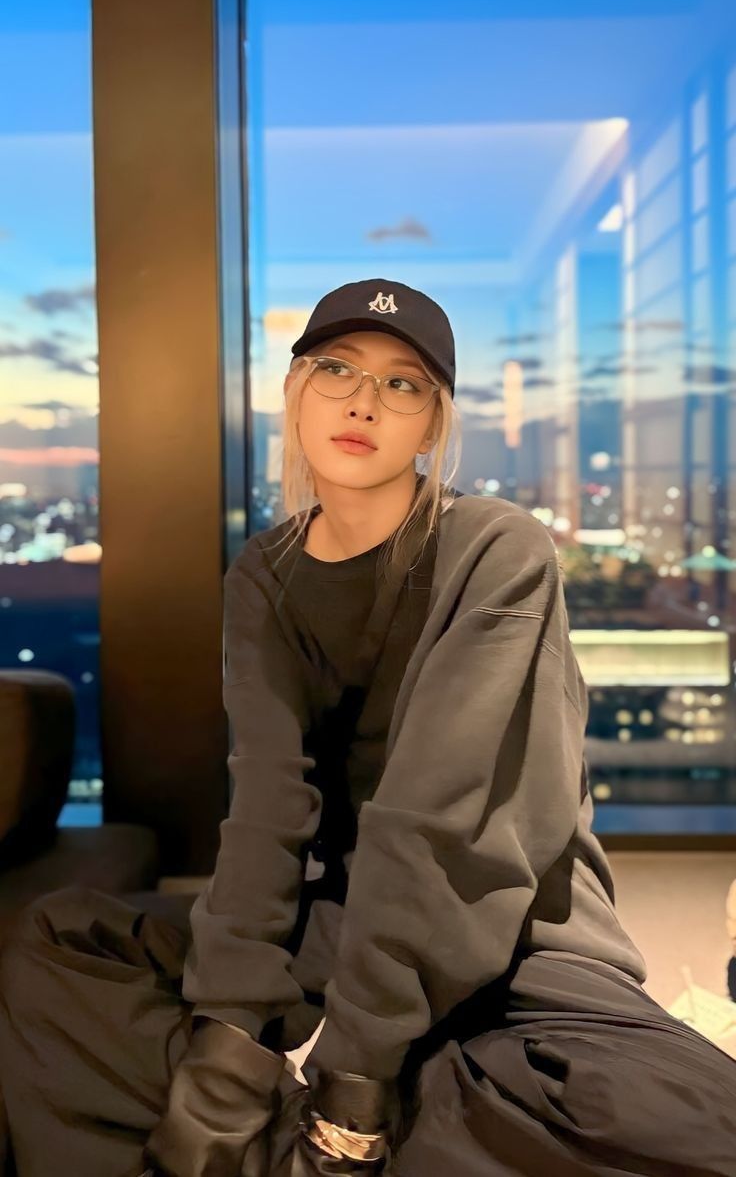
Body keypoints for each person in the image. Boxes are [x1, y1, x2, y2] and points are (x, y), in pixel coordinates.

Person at [0, 278, 735, 1177]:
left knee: (675, 1126)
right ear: (297, 393)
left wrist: (354, 1069)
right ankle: (320, 1122)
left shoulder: (495, 548)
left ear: (433, 423)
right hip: (346, 921)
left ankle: (352, 1120)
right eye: (337, 368)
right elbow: (268, 807)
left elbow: (440, 820)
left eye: (402, 383)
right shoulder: (264, 574)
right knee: (60, 945)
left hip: (513, 935)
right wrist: (230, 1041)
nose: (362, 400)